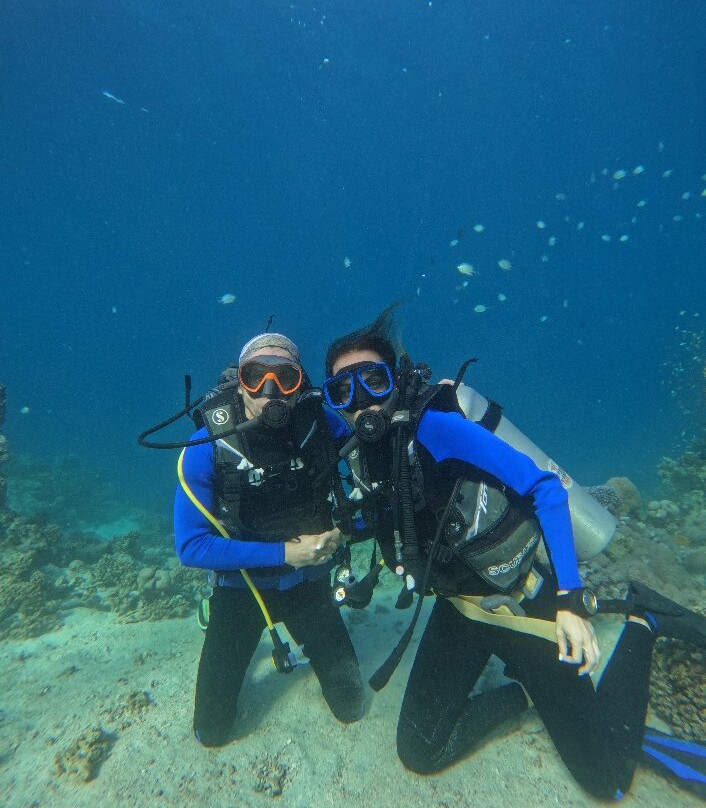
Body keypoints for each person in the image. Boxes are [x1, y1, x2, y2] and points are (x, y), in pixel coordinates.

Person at [321, 306, 706, 800]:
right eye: (341, 391)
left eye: (372, 380)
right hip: (459, 609)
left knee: (607, 778)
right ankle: (523, 692)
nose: (360, 403)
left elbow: (545, 488)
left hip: (526, 600)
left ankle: (641, 617)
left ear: (394, 381)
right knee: (420, 752)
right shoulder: (359, 456)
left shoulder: (438, 429)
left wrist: (569, 597)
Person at [174, 332, 365, 747]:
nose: (270, 391)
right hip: (242, 590)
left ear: (301, 383)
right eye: (256, 377)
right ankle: (213, 611)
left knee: (352, 705)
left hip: (308, 588)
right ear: (240, 381)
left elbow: (372, 432)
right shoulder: (206, 444)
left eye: (286, 378)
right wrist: (286, 553)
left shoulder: (321, 422)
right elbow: (190, 547)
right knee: (211, 731)